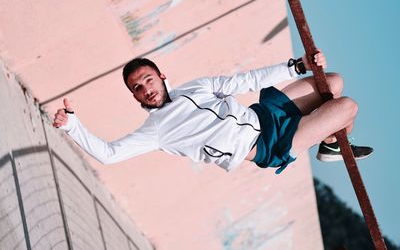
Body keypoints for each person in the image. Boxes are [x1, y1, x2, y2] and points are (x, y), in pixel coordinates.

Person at [52, 51, 373, 174]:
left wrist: (296, 66)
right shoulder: (156, 131)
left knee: (334, 82)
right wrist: (73, 126)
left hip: (263, 114)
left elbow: (244, 81)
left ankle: (331, 142)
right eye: (137, 88)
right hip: (267, 146)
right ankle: (330, 135)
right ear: (135, 97)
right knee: (347, 107)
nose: (145, 89)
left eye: (148, 79)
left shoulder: (195, 87)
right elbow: (109, 154)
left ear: (161, 77)